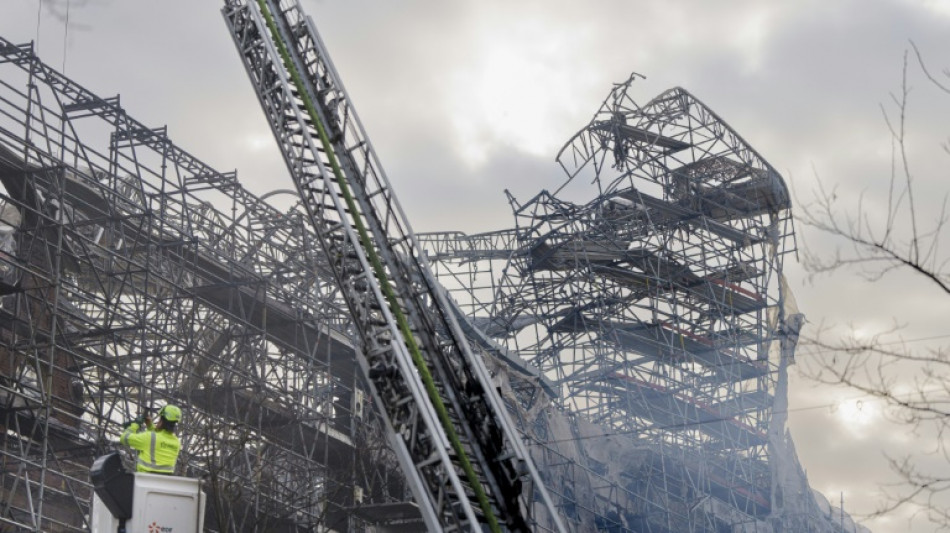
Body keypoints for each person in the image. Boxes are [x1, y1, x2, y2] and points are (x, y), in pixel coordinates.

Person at [120, 404, 182, 475]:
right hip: (165, 483)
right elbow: (159, 439)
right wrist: (150, 425)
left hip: (144, 481)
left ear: (162, 420)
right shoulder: (176, 442)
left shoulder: (149, 437)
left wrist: (135, 424)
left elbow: (124, 438)